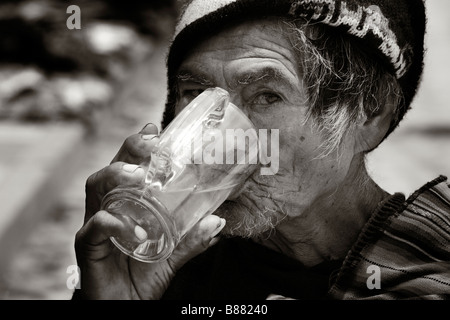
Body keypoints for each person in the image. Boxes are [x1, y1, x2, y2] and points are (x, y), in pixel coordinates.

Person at [73, 0, 450, 300]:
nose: (216, 142)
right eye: (194, 95)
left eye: (266, 97)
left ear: (369, 114)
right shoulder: (172, 264)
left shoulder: (429, 265)